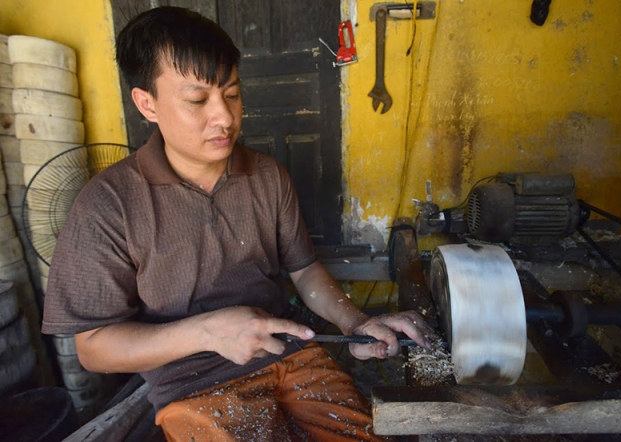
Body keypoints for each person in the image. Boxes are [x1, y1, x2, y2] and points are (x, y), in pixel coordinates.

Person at [42, 6, 434, 441]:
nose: (225, 118)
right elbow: (93, 347)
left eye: (231, 93)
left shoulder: (267, 175)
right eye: (197, 101)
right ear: (146, 103)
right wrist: (208, 331)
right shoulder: (107, 204)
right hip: (191, 386)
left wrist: (354, 322)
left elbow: (304, 270)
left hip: (292, 355)